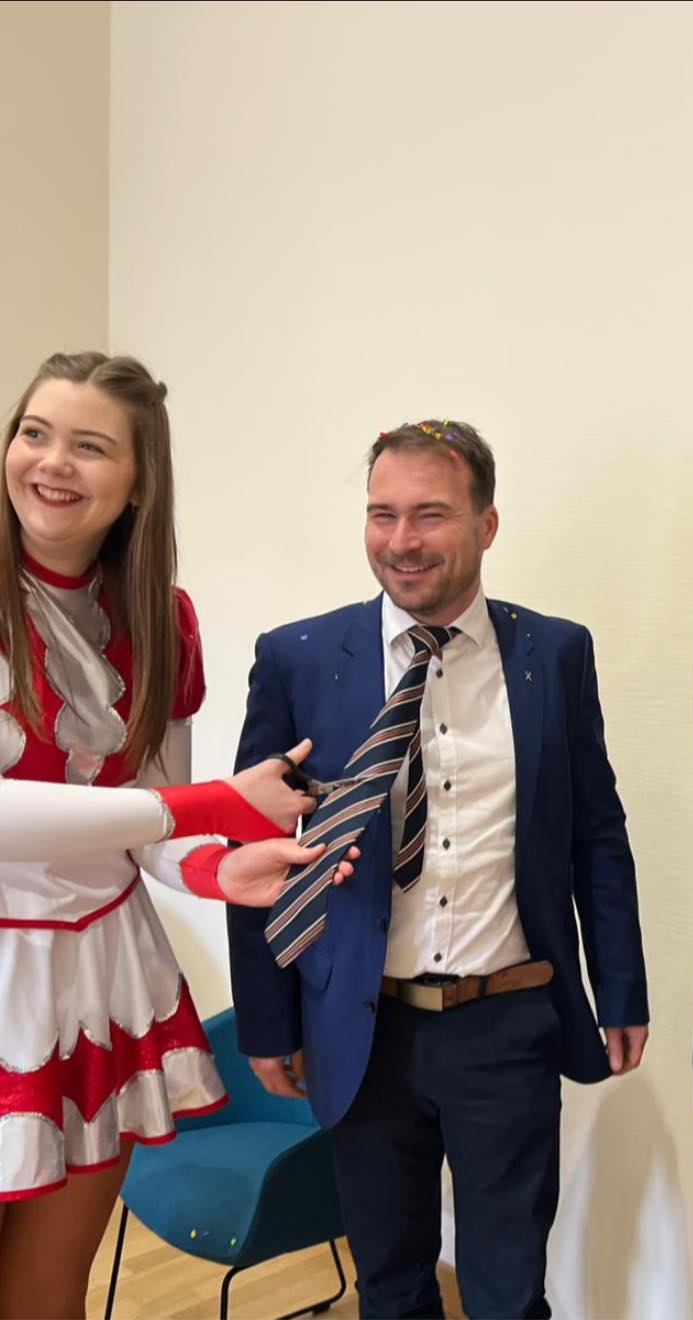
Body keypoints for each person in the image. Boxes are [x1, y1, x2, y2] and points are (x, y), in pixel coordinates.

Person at [227, 418, 650, 1319]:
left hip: (507, 1022)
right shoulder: (298, 659)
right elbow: (251, 854)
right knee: (391, 1283)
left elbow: (597, 836)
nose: (401, 541)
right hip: (361, 1028)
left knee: (506, 1290)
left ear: (486, 524)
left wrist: (622, 990)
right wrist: (266, 1021)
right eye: (382, 514)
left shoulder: (556, 653)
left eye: (430, 514)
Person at [0, 352, 345, 1318]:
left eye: (89, 446)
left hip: (99, 981)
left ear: (138, 480)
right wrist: (203, 812)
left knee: (44, 1294)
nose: (51, 463)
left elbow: (151, 813)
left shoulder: (158, 617)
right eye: (34, 433)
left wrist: (219, 868)